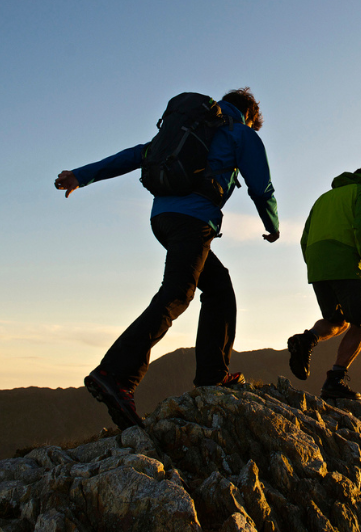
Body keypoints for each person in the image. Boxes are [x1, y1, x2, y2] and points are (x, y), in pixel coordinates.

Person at [54, 88, 280, 428]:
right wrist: (272, 225)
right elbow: (261, 186)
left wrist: (82, 175)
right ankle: (116, 375)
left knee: (218, 286)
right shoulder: (239, 132)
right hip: (193, 221)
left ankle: (212, 375)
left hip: (162, 219)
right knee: (177, 293)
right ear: (250, 115)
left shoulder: (187, 129)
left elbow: (136, 155)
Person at [287, 167, 361, 401]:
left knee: (337, 320)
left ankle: (306, 340)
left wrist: (315, 264)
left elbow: (304, 238)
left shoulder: (323, 199)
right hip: (346, 262)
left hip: (318, 266)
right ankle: (335, 380)